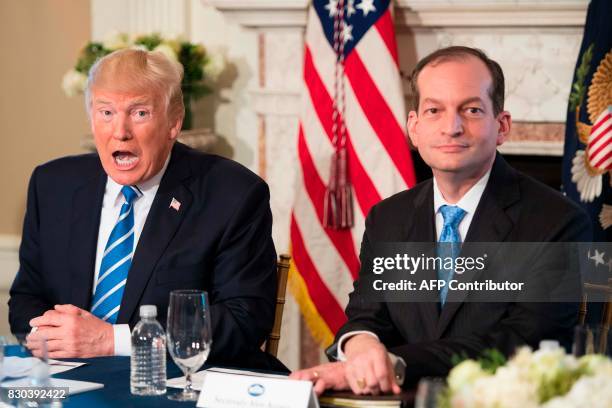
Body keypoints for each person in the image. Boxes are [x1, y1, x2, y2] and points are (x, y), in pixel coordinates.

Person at [291, 46, 591, 394]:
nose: (452, 127)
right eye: (434, 110)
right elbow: (367, 315)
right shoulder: (388, 218)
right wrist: (360, 346)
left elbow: (527, 340)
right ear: (414, 129)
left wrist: (398, 363)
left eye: (472, 110)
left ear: (502, 126)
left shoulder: (557, 221)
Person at [9, 48, 282, 370]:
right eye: (106, 112)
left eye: (139, 113)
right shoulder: (53, 184)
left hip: (175, 381)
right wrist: (58, 337)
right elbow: (26, 298)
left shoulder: (232, 194)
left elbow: (244, 318)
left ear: (173, 123)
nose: (120, 131)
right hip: (67, 377)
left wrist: (112, 340)